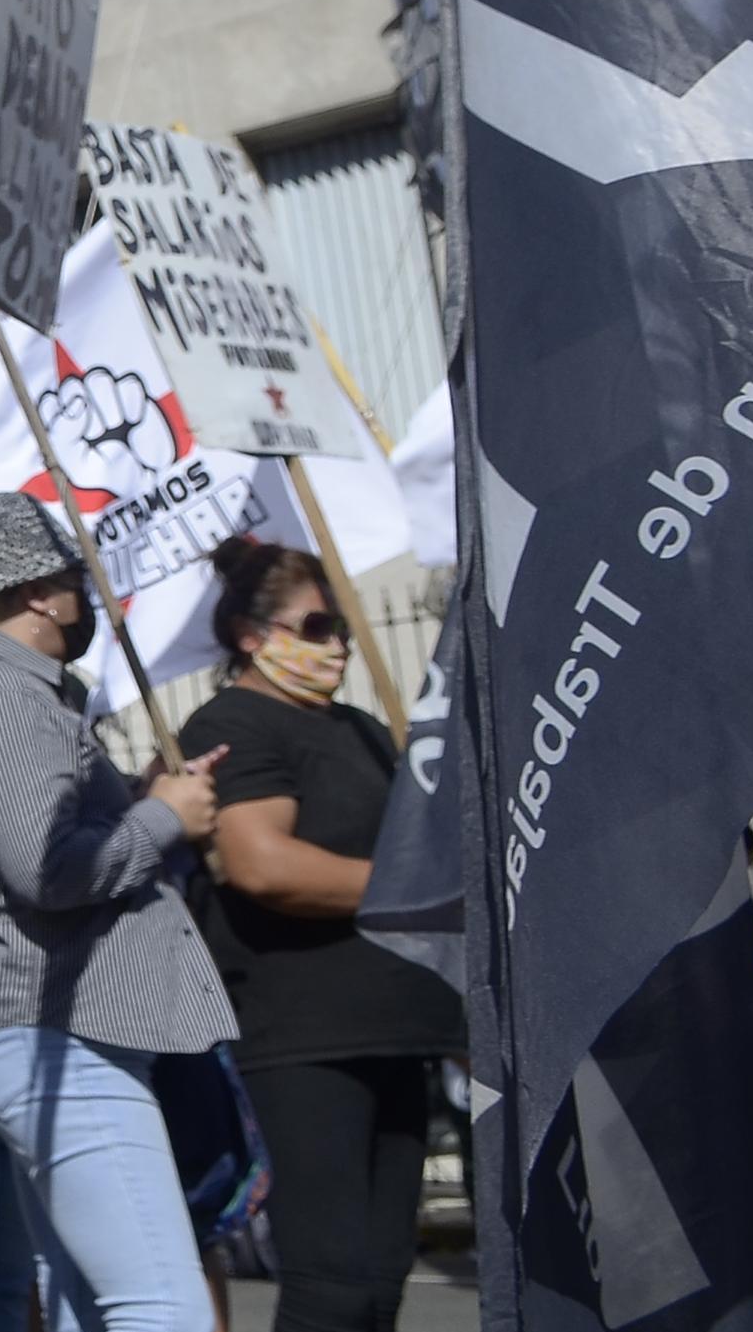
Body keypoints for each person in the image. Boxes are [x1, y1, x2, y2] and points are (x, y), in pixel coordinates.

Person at [0, 493, 235, 1332]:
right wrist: (163, 817)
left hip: (59, 1027)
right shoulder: (7, 699)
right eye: (75, 576)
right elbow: (45, 868)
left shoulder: (16, 696)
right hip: (58, 1030)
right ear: (38, 593)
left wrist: (145, 801)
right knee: (164, 1311)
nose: (86, 596)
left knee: (89, 1307)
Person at [175, 537, 462, 1332]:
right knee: (329, 1280)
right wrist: (415, 890)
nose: (334, 642)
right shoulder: (232, 722)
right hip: (303, 1034)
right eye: (315, 624)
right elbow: (261, 863)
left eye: (339, 624)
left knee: (379, 1274)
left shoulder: (364, 729)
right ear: (250, 634)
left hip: (398, 1026)